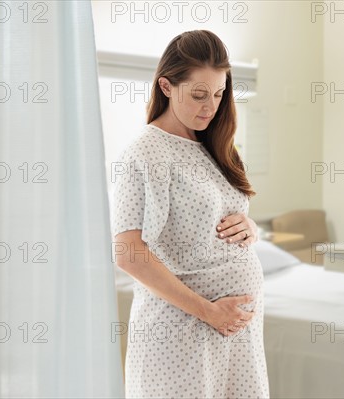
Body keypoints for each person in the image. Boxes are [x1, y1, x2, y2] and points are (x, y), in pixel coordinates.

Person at [110, 30, 270, 398]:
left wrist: (249, 228)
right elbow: (127, 251)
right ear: (166, 87)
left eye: (218, 94)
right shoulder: (144, 154)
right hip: (182, 332)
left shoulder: (215, 146)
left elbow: (214, 215)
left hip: (236, 333)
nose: (210, 106)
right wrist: (208, 311)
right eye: (198, 95)